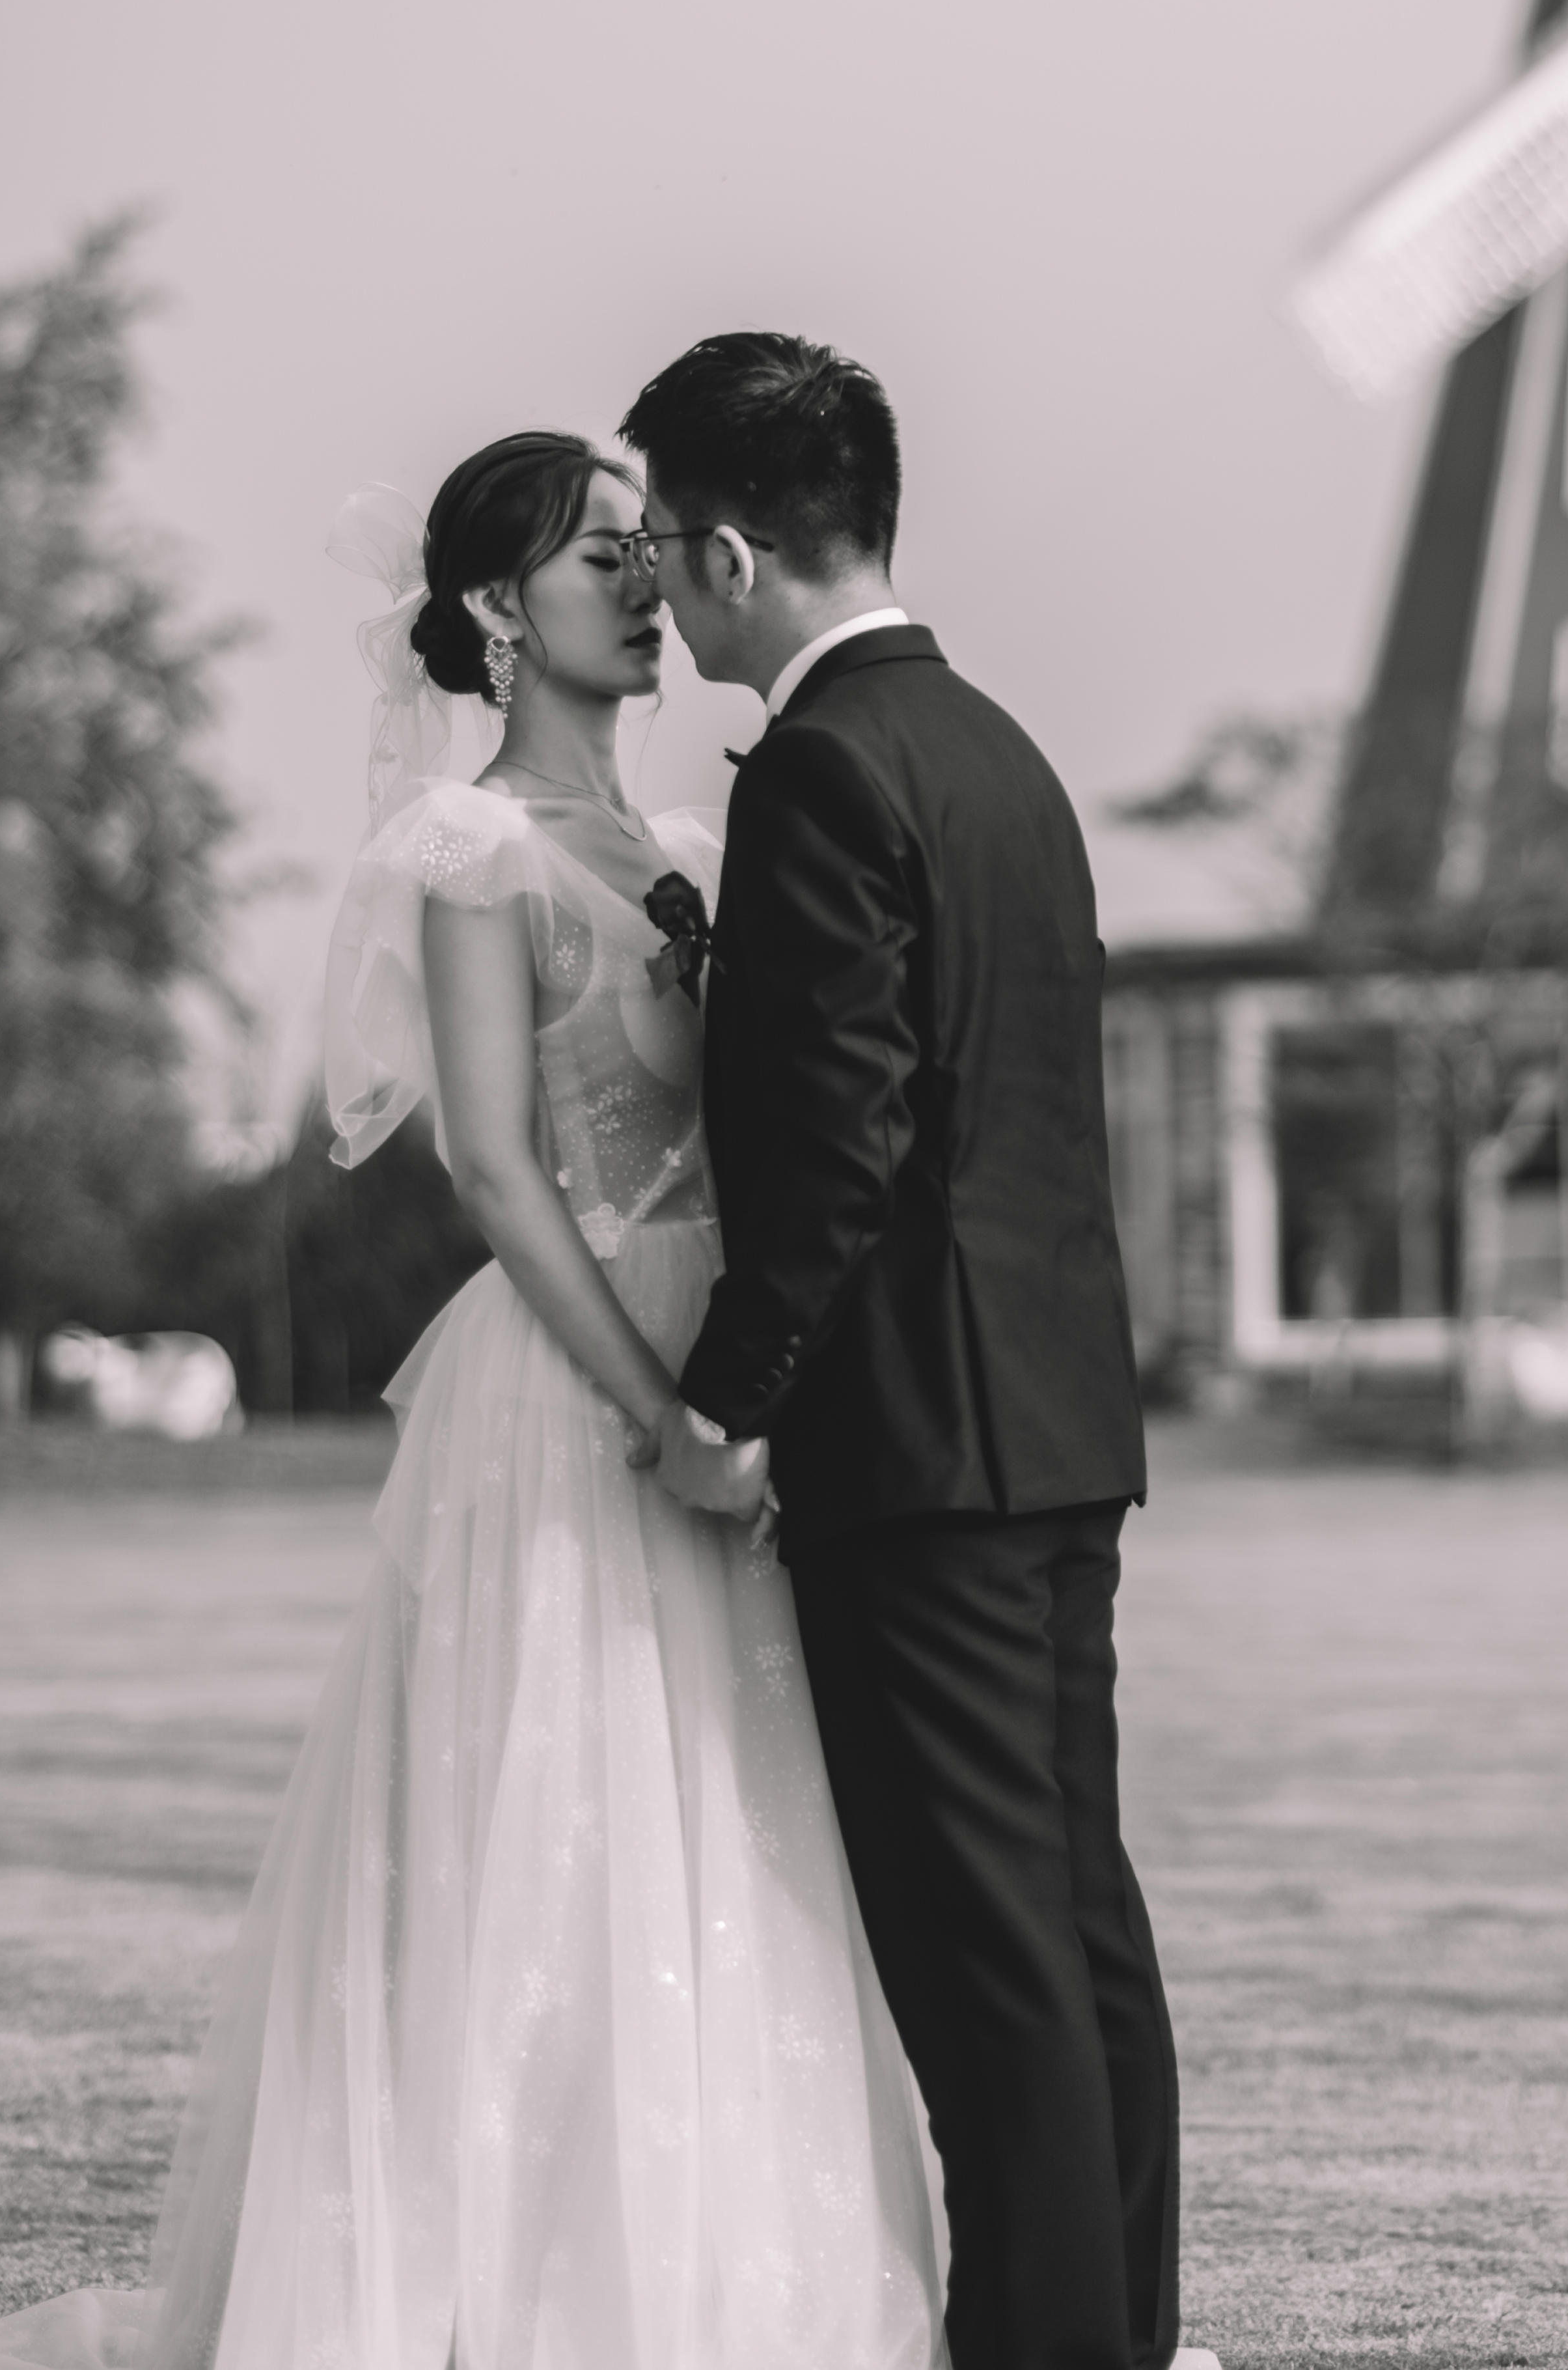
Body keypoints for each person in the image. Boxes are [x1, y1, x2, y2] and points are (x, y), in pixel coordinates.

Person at [0, 432, 946, 2370]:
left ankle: (744, 2267)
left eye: (650, 549)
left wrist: (763, 1383)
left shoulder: (702, 847)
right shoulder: (470, 852)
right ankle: (523, 2280)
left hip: (737, 1357)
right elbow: (493, 1166)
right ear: (494, 607)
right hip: (579, 1378)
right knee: (560, 1804)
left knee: (743, 1797)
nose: (646, 583)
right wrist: (665, 1410)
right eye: (599, 556)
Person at [619, 333, 1206, 2370]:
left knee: (984, 1962)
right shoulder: (999, 752)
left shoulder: (825, 771)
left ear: (728, 552)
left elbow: (839, 1138)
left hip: (919, 1451)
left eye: (662, 550)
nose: (658, 591)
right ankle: (1120, 2337)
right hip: (1056, 1425)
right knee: (1079, 1921)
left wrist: (727, 1402)